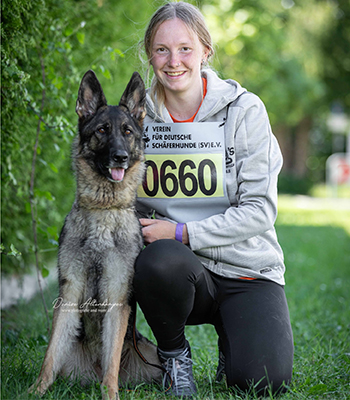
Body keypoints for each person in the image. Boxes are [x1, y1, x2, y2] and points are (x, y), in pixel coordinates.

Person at [133, 1, 294, 397]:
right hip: (178, 269)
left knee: (261, 382)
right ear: (149, 54)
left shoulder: (245, 110)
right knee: (160, 259)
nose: (174, 62)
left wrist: (185, 231)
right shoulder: (137, 118)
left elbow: (260, 211)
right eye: (162, 49)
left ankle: (234, 342)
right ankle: (174, 355)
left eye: (185, 48)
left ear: (206, 51)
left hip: (246, 269)